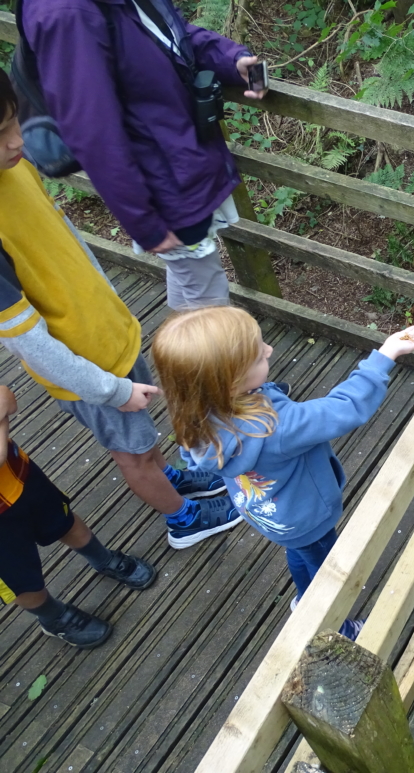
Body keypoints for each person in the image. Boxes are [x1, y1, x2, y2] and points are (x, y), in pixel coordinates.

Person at [0, 67, 241, 550]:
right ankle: (184, 518)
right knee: (131, 453)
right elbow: (28, 343)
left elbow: (63, 234)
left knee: (141, 441)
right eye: (0, 133)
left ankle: (164, 472)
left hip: (107, 334)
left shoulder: (13, 167)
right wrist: (110, 391)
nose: (16, 140)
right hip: (87, 368)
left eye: (11, 122)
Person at [151, 306, 414, 638]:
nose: (269, 350)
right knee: (327, 572)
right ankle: (335, 627)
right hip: (306, 517)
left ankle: (302, 598)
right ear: (228, 383)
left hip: (268, 514)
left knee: (300, 552)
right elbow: (344, 407)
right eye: (258, 357)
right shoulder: (277, 429)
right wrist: (385, 355)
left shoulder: (198, 413)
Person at [20, 0, 267, 310]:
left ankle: (177, 355)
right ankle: (222, 358)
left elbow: (168, 36)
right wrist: (144, 223)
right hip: (162, 181)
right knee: (209, 303)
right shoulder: (64, 13)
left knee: (191, 283)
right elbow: (92, 130)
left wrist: (231, 59)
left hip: (181, 162)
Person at [0, 384, 156, 648]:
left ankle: (102, 559)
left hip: (20, 477)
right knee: (21, 581)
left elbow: (7, 397)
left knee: (65, 523)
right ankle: (53, 618)